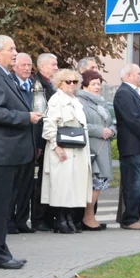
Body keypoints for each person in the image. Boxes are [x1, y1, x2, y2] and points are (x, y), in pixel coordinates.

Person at [0, 35, 40, 269]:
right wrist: (26, 117)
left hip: (9, 152)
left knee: (3, 207)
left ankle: (1, 251)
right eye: (10, 49)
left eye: (15, 47)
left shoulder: (3, 75)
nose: (15, 52)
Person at [41, 69, 93, 234]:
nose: (72, 85)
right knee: (61, 186)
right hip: (62, 149)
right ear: (59, 83)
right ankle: (60, 220)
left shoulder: (76, 101)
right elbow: (49, 125)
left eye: (75, 81)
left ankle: (70, 218)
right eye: (68, 82)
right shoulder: (56, 100)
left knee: (74, 185)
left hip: (77, 149)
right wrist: (56, 146)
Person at [113, 64, 140, 230]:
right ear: (129, 75)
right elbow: (133, 119)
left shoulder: (136, 92)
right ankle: (130, 218)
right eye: (138, 73)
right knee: (133, 183)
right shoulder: (124, 93)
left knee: (139, 184)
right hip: (132, 146)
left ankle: (136, 216)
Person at [77, 70, 116, 230]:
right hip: (91, 145)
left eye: (99, 84)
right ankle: (87, 217)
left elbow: (110, 121)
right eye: (93, 84)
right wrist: (100, 131)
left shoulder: (102, 102)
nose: (97, 87)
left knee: (100, 183)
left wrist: (112, 131)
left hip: (104, 145)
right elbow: (81, 123)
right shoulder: (80, 101)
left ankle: (90, 215)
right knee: (95, 183)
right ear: (85, 85)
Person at [8, 52, 36, 234]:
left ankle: (22, 220)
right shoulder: (10, 83)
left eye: (29, 65)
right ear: (14, 66)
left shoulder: (35, 86)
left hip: (32, 142)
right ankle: (9, 221)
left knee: (27, 185)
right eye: (23, 65)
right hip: (14, 142)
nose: (26, 68)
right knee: (13, 186)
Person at [31, 53, 59, 231]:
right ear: (42, 67)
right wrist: (39, 144)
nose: (56, 68)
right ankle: (38, 217)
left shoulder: (52, 85)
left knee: (49, 180)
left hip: (50, 140)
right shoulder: (38, 85)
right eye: (53, 65)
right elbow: (39, 115)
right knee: (39, 182)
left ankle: (48, 216)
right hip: (42, 139)